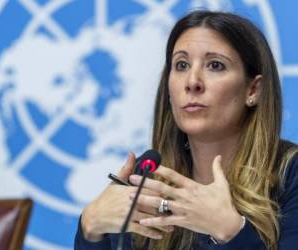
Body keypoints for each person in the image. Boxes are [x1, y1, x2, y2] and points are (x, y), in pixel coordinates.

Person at [74, 10, 298, 250]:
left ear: (253, 90)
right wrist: (90, 228)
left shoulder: (291, 173)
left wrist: (231, 232)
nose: (192, 82)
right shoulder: (147, 176)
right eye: (181, 64)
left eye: (215, 65)